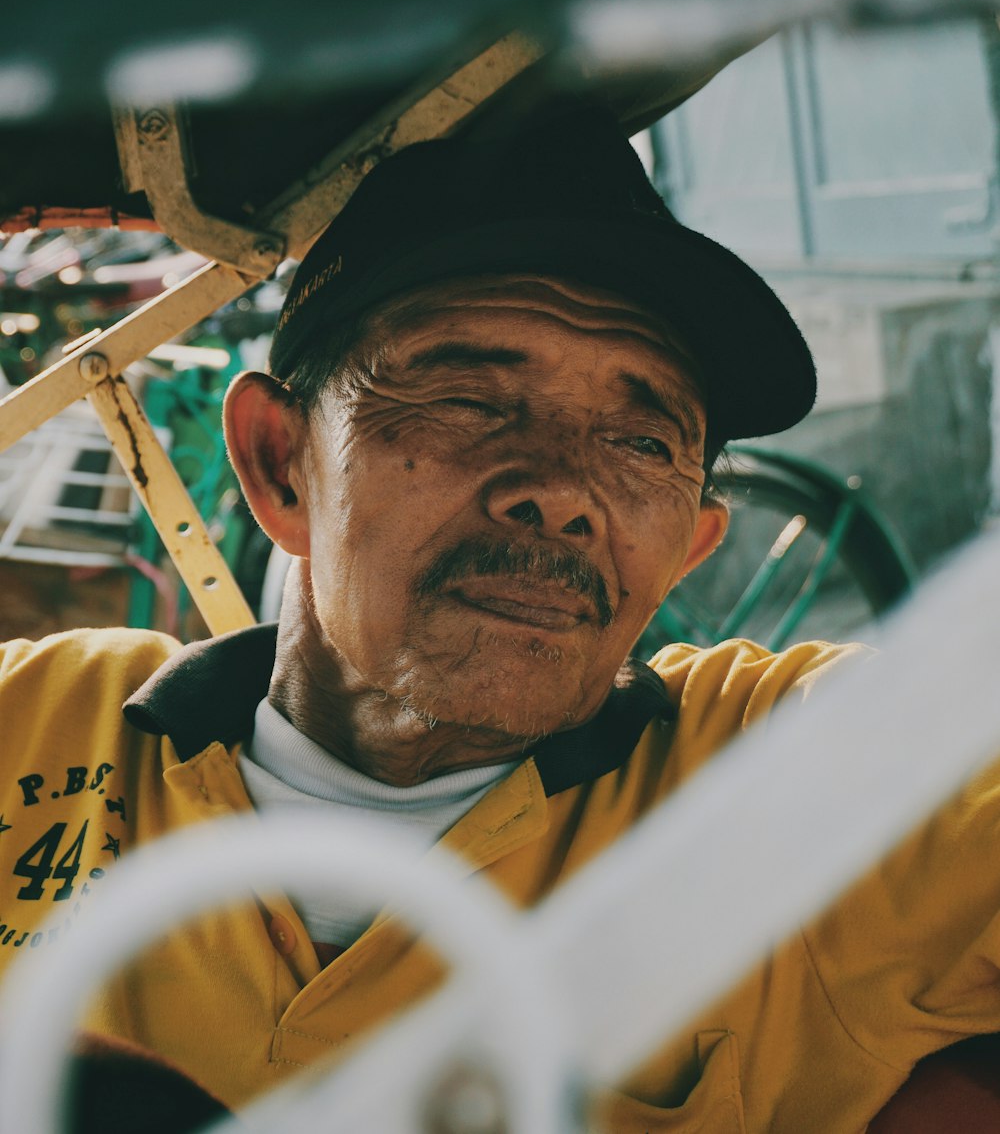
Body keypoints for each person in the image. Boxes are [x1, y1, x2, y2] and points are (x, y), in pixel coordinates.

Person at [0, 101, 996, 1132]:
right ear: (278, 463)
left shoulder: (783, 778)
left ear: (688, 546)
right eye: (470, 398)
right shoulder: (38, 717)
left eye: (643, 442)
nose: (561, 489)